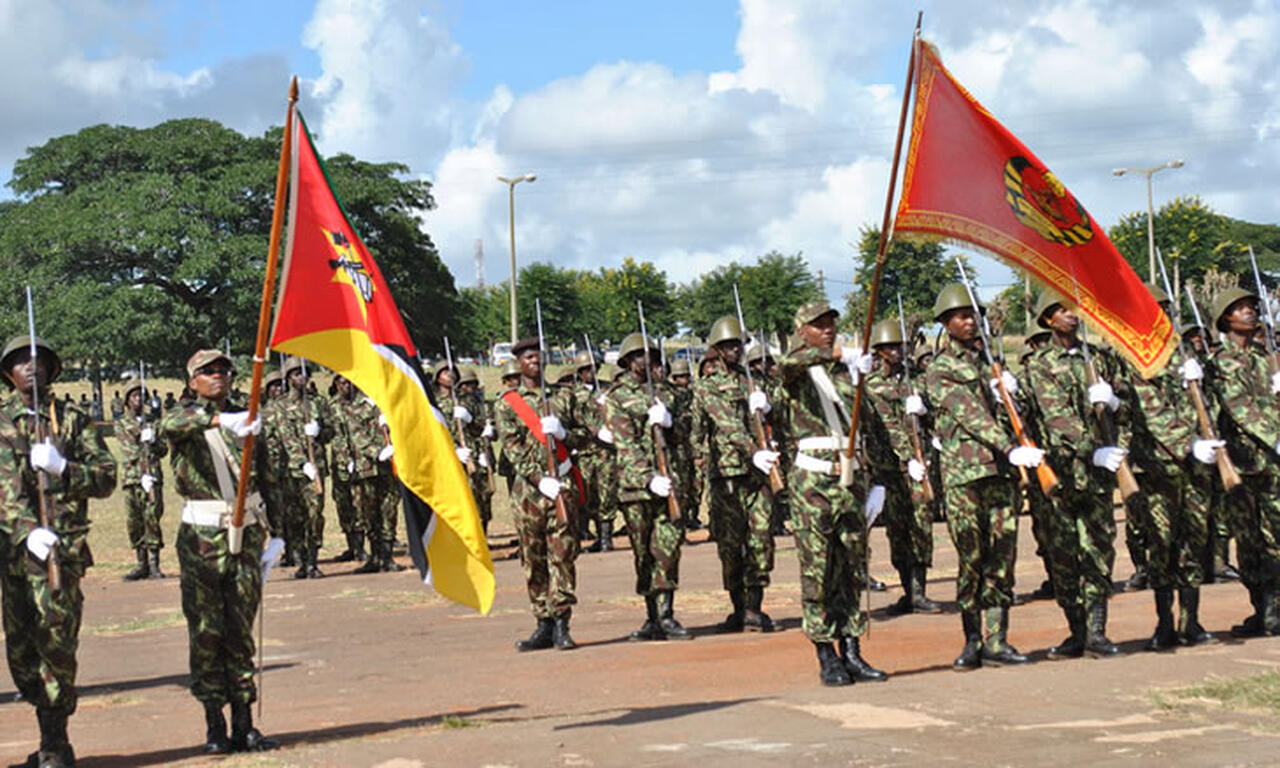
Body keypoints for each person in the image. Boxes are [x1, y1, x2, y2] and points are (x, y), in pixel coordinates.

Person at [0, 335, 117, 768]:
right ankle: (46, 730)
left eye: (39, 361)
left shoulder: (71, 421)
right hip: (15, 556)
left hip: (61, 555)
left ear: (53, 368)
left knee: (57, 645)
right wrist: (26, 530)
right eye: (20, 362)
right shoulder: (0, 422)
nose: (31, 367)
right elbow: (3, 491)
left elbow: (106, 478)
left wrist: (64, 468)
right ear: (8, 373)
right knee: (22, 651)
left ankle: (55, 744)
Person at [161, 349, 277, 753]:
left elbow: (268, 474)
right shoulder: (184, 417)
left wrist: (277, 534)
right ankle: (214, 724)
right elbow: (171, 424)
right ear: (192, 381)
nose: (218, 376)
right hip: (202, 539)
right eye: (207, 372)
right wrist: (219, 419)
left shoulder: (247, 415)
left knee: (240, 630)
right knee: (207, 631)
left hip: (245, 534)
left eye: (224, 370)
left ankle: (245, 722)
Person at [925, 284, 1036, 670]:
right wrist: (1007, 446)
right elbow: (967, 413)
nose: (971, 322)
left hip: (1001, 475)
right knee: (971, 558)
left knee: (1002, 558)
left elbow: (1014, 418)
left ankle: (998, 639)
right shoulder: (940, 368)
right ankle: (972, 638)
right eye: (962, 316)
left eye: (975, 315)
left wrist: (1011, 394)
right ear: (945, 323)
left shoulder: (993, 364)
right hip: (964, 475)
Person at [776, 302, 887, 685]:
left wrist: (876, 480)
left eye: (831, 325)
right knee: (818, 570)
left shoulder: (846, 373)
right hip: (814, 483)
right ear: (801, 330)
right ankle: (826, 654)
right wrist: (841, 353)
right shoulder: (797, 369)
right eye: (818, 325)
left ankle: (852, 650)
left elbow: (866, 424)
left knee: (851, 569)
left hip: (850, 477)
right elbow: (790, 364)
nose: (828, 330)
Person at [1024, 290, 1127, 659]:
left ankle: (1098, 632)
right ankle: (1077, 631)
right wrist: (1092, 448)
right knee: (1065, 557)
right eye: (1062, 310)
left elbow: (1128, 404)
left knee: (1099, 552)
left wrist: (1116, 401)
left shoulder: (1099, 357)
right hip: (1063, 476)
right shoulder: (1039, 364)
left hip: (1097, 476)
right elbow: (1057, 419)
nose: (1071, 315)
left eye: (1074, 309)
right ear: (1048, 318)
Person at [1126, 283, 1218, 649]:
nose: (1161, 316)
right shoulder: (1135, 360)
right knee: (1162, 545)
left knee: (1194, 542)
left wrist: (1200, 380)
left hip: (1197, 469)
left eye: (1165, 310)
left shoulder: (1185, 356)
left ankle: (1190, 621)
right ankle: (1164, 622)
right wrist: (1189, 443)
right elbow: (1151, 412)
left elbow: (1208, 408)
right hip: (1159, 467)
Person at [493, 336, 585, 650]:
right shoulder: (508, 402)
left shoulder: (564, 397)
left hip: (561, 485)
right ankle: (542, 622)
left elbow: (586, 436)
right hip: (528, 494)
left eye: (537, 356)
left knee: (563, 555)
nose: (534, 361)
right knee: (533, 559)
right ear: (519, 363)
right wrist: (537, 477)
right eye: (528, 357)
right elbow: (512, 448)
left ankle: (562, 623)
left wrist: (564, 434)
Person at [692, 315, 777, 633]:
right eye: (727, 345)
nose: (733, 350)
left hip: (759, 475)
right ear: (716, 348)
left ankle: (754, 608)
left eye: (737, 344)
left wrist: (768, 407)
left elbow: (780, 412)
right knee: (730, 545)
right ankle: (737, 608)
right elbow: (725, 425)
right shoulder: (707, 387)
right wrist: (754, 452)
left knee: (761, 540)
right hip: (726, 474)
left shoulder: (756, 382)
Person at [606, 332, 691, 640]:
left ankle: (667, 614)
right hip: (636, 488)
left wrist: (670, 422)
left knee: (668, 548)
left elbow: (686, 432)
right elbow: (625, 444)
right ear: (627, 361)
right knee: (643, 552)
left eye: (649, 354)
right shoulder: (617, 396)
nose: (645, 360)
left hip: (669, 482)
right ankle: (651, 616)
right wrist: (647, 477)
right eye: (638, 355)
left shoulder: (669, 393)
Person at [1208, 287, 1280, 636]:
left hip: (1273, 463)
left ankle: (1276, 607)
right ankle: (1263, 609)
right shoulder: (1221, 362)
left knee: (1276, 535)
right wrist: (1276, 434)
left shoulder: (1268, 357)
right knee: (1248, 538)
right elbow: (1240, 409)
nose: (1249, 311)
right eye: (1239, 308)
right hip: (1242, 462)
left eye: (1251, 306)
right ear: (1226, 319)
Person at [864, 319, 940, 615]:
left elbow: (938, 417)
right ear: (879, 351)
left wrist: (925, 410)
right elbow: (889, 425)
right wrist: (908, 456)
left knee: (921, 526)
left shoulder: (918, 380)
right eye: (890, 347)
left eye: (899, 346)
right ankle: (908, 591)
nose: (896, 351)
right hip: (889, 468)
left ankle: (919, 592)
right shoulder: (872, 385)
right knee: (897, 530)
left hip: (919, 467)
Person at [276, 356, 333, 579]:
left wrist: (319, 431)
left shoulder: (318, 403)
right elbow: (287, 437)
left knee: (315, 515)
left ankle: (313, 561)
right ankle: (301, 561)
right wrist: (302, 462)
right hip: (294, 471)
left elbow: (330, 432)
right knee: (295, 517)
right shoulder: (281, 405)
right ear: (289, 378)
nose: (303, 377)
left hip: (316, 469)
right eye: (297, 374)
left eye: (305, 373)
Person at [117, 379, 169, 580]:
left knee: (152, 518)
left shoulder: (154, 423)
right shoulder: (122, 422)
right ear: (127, 400)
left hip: (152, 476)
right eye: (134, 396)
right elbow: (128, 444)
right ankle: (141, 563)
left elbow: (163, 450)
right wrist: (142, 433)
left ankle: (155, 563)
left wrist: (154, 440)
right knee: (134, 520)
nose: (138, 399)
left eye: (141, 395)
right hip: (132, 476)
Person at [572, 352, 616, 551]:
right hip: (585, 451)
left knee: (606, 493)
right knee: (587, 494)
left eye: (594, 368)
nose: (591, 373)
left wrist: (607, 403)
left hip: (606, 451)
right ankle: (586, 532)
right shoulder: (573, 394)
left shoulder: (607, 389)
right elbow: (575, 418)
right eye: (586, 369)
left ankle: (606, 538)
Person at [328, 374, 369, 564]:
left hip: (361, 463)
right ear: (336, 384)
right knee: (343, 505)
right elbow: (333, 436)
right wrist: (344, 459)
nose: (347, 386)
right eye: (343, 382)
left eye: (350, 382)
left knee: (359, 505)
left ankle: (361, 548)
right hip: (339, 465)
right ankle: (351, 546)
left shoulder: (361, 403)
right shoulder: (331, 406)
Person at [457, 367, 497, 537]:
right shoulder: (456, 406)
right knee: (468, 499)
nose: (469, 388)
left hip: (483, 455)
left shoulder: (485, 405)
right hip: (465, 457)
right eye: (465, 385)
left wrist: (491, 430)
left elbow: (495, 430)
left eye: (472, 384)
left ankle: (483, 534)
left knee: (485, 498)